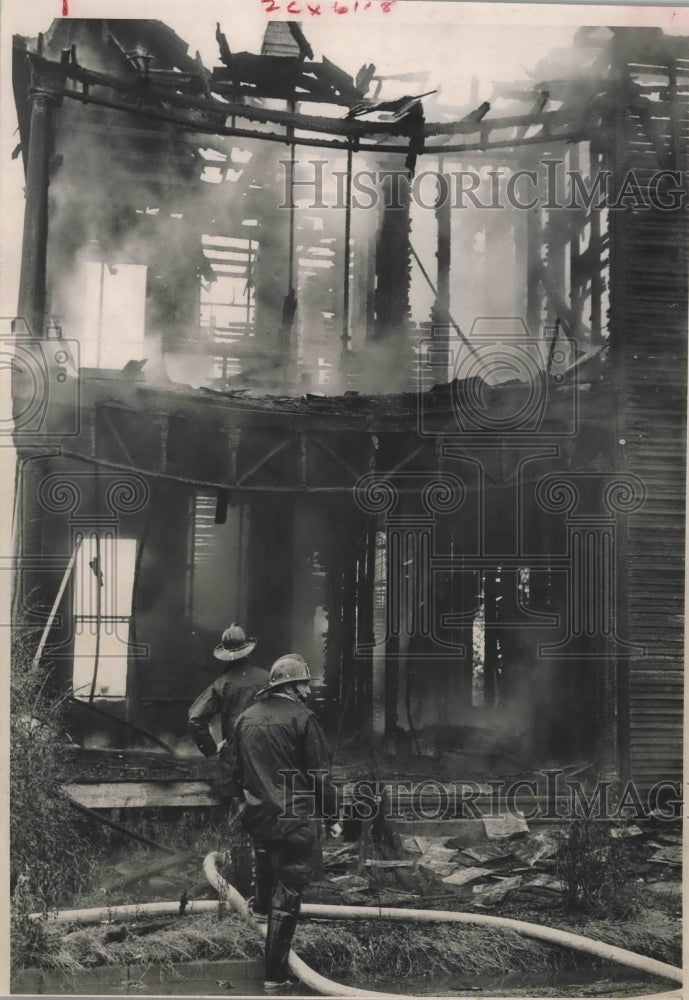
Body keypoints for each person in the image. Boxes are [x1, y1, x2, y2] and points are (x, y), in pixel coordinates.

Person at [232, 653, 342, 994]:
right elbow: (320, 776)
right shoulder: (303, 719)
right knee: (290, 889)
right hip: (296, 818)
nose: (308, 691)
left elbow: (236, 773)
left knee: (265, 855)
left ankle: (260, 910)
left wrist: (248, 804)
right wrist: (333, 815)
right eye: (304, 684)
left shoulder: (245, 718)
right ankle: (276, 976)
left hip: (259, 814)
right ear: (291, 685)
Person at [188, 624, 267, 801]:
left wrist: (211, 749)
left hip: (234, 759)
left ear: (225, 656)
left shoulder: (222, 683)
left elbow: (195, 719)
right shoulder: (268, 679)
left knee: (231, 807)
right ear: (248, 650)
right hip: (266, 756)